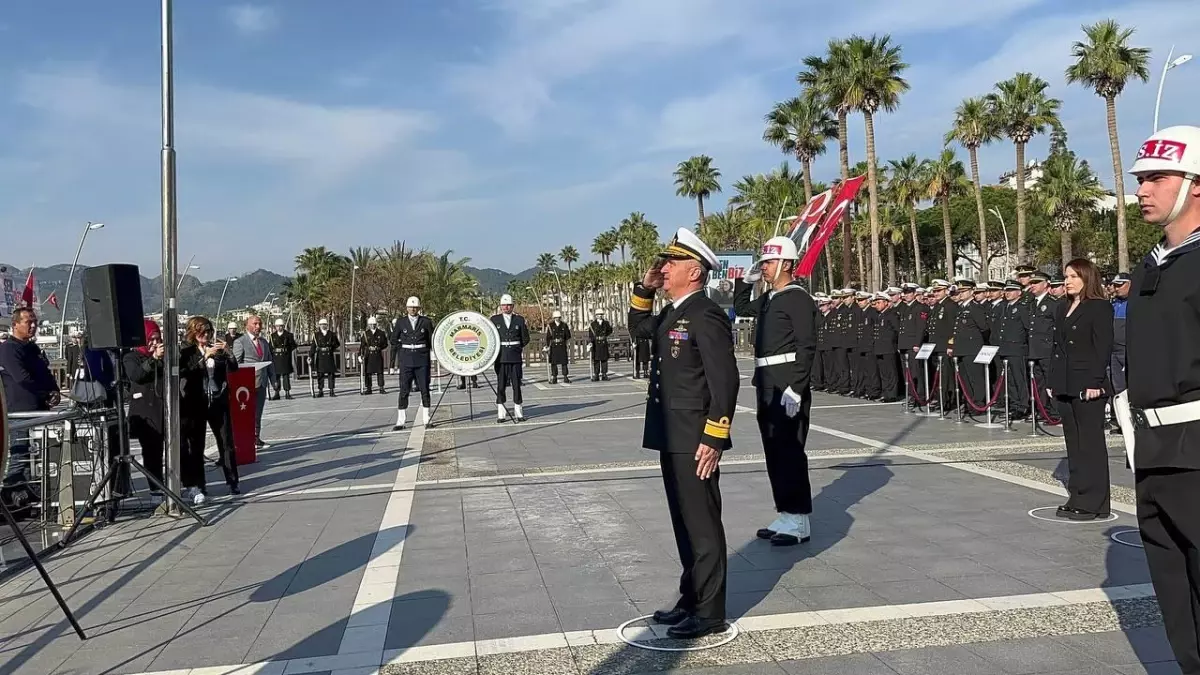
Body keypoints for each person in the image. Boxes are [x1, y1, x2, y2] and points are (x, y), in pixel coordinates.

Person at [629, 228, 738, 639]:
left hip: (694, 438)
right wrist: (645, 287)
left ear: (694, 272)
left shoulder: (705, 315)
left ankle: (710, 614)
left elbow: (724, 381)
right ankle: (691, 598)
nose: (665, 267)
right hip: (672, 435)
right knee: (683, 523)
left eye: (672, 263)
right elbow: (640, 328)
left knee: (703, 525)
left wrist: (713, 437)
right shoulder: (675, 311)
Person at [1125, 125, 1200, 674]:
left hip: (1197, 447)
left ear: (1195, 184)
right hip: (1153, 448)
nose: (1142, 190)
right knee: (1173, 588)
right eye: (1140, 180)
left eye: (1157, 177)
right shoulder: (1151, 265)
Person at [732, 236, 816, 546]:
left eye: (767, 263)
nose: (764, 268)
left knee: (790, 450)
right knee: (773, 450)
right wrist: (745, 281)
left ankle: (799, 519)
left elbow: (807, 346)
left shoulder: (798, 299)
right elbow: (741, 307)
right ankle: (785, 512)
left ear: (786, 264)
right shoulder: (770, 298)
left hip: (786, 384)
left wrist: (796, 387)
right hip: (767, 382)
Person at [1048, 258, 1113, 521]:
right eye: (1066, 276)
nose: (1068, 281)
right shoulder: (1063, 307)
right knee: (1074, 444)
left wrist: (1095, 383)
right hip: (1065, 383)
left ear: (1087, 278)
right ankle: (1077, 495)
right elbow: (1057, 348)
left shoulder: (1099, 308)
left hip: (1087, 384)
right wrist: (1052, 382)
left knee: (1090, 444)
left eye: (1074, 276)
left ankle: (1094, 501)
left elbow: (1102, 348)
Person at [179, 316, 240, 502]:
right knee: (196, 446)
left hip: (217, 401)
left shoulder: (217, 349)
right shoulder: (186, 351)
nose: (206, 335)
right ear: (193, 332)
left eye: (209, 331)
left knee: (226, 441)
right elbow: (184, 372)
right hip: (196, 402)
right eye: (202, 332)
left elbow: (234, 368)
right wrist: (203, 357)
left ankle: (233, 481)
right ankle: (200, 485)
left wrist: (228, 352)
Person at [122, 319, 167, 492]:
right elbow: (137, 375)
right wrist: (153, 359)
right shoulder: (131, 357)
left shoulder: (164, 358)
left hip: (163, 407)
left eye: (158, 339)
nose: (155, 343)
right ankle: (155, 488)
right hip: (145, 411)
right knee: (151, 452)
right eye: (151, 339)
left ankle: (172, 484)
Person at [392, 296, 434, 430]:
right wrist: (402, 350)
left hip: (422, 359)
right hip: (406, 359)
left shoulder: (426, 322)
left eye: (415, 307)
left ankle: (426, 419)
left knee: (424, 388)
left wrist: (426, 351)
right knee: (404, 389)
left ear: (419, 308)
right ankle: (401, 421)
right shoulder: (401, 322)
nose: (413, 309)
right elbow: (394, 339)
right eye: (411, 307)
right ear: (407, 308)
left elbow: (430, 339)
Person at [232, 315, 274, 449]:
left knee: (258, 412)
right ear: (247, 325)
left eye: (259, 324)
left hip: (261, 383)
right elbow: (235, 364)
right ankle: (247, 439)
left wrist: (274, 380)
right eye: (255, 324)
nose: (258, 326)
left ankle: (257, 438)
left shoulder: (264, 342)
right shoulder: (240, 342)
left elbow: (269, 362)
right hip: (246, 385)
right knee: (247, 413)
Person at [995, 280, 1032, 421]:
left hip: (1017, 348)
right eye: (1006, 290)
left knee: (1019, 379)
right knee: (1009, 380)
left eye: (1011, 290)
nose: (1007, 293)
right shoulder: (1005, 307)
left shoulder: (1022, 308)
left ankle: (1023, 406)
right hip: (1005, 348)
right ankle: (1015, 404)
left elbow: (1028, 328)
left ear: (1019, 292)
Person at [492, 294, 530, 422]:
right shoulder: (494, 320)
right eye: (503, 305)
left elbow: (525, 338)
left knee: (516, 385)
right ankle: (501, 413)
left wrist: (517, 348)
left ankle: (518, 412)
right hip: (501, 357)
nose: (506, 307)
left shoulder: (519, 320)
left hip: (515, 357)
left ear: (512, 306)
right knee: (501, 385)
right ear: (500, 306)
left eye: (508, 305)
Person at [872, 293, 900, 402]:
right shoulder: (879, 315)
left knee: (890, 372)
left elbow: (897, 330)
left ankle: (892, 394)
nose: (877, 305)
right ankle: (885, 393)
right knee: (883, 373)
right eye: (876, 302)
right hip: (880, 348)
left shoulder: (891, 314)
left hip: (889, 348)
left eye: (879, 302)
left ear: (886, 303)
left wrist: (894, 343)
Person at [1109, 272, 1130, 396]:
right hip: (1113, 352)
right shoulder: (1113, 304)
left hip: (1126, 350)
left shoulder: (1135, 303)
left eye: (1120, 285)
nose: (1116, 288)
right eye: (1115, 285)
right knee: (1117, 386)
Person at [360, 316, 389, 395]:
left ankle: (381, 387)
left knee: (380, 372)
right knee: (368, 372)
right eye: (371, 324)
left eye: (374, 324)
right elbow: (362, 345)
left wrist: (378, 347)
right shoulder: (366, 334)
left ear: (376, 324)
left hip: (377, 355)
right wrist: (360, 355)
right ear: (369, 325)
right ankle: (368, 388)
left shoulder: (381, 333)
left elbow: (385, 344)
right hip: (369, 356)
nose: (372, 326)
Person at [269, 319, 297, 400]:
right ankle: (276, 393)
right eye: (277, 326)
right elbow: (270, 348)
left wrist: (287, 351)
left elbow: (293, 345)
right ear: (275, 327)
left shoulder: (288, 335)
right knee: (276, 376)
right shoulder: (272, 336)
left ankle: (287, 393)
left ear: (283, 326)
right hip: (276, 358)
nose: (279, 327)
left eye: (280, 326)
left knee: (286, 376)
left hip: (285, 357)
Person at [313, 318, 340, 397]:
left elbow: (337, 344)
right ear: (319, 325)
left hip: (329, 356)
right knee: (320, 374)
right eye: (321, 325)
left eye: (324, 324)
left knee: (331, 374)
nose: (323, 326)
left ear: (327, 325)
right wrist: (310, 356)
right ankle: (320, 391)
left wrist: (331, 348)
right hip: (320, 356)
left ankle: (331, 390)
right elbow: (313, 346)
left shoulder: (332, 334)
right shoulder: (316, 335)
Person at [544, 310, 572, 384]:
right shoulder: (550, 326)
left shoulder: (564, 325)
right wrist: (547, 346)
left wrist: (566, 343)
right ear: (554, 318)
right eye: (556, 317)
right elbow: (548, 337)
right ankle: (554, 377)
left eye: (558, 317)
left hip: (562, 345)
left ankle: (565, 377)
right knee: (554, 363)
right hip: (554, 346)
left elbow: (568, 336)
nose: (557, 319)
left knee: (564, 362)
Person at [588, 309, 613, 381]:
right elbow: (591, 334)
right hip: (596, 343)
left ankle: (604, 374)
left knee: (604, 359)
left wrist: (604, 336)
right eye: (598, 314)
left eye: (601, 314)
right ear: (596, 316)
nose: (600, 316)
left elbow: (609, 331)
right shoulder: (592, 324)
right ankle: (596, 375)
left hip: (603, 342)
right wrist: (591, 342)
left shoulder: (606, 323)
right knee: (596, 360)